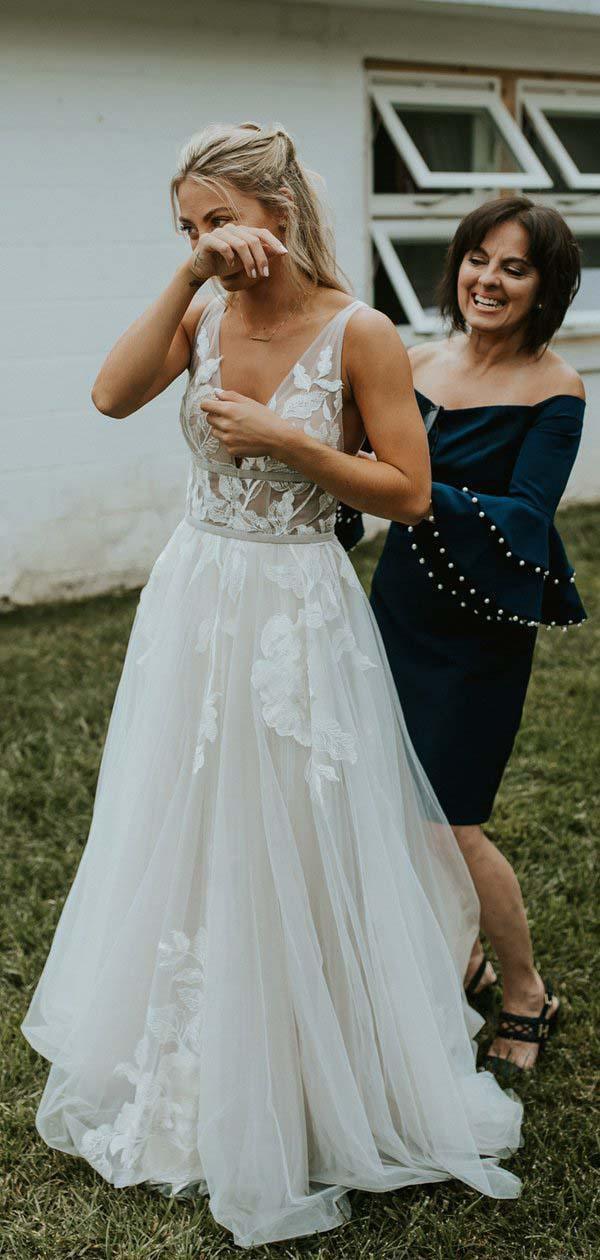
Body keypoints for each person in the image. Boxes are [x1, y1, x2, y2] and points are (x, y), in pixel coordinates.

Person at [21, 124, 523, 1251]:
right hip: (196, 595)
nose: (204, 240)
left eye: (218, 219)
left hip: (298, 606)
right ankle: (193, 1052)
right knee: (188, 813)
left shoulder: (361, 332)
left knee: (295, 820)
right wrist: (186, 275)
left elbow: (407, 492)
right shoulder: (200, 310)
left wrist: (285, 442)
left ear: (279, 214)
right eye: (187, 225)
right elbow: (109, 396)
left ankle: (313, 1063)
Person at [367, 196, 585, 1076]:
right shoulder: (415, 361)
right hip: (396, 610)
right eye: (477, 259)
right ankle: (464, 959)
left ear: (545, 289)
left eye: (514, 268)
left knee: (450, 822)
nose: (488, 280)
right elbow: (360, 471)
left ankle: (526, 992)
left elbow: (527, 517)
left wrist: (412, 493)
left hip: (480, 633)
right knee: (390, 803)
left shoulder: (557, 389)